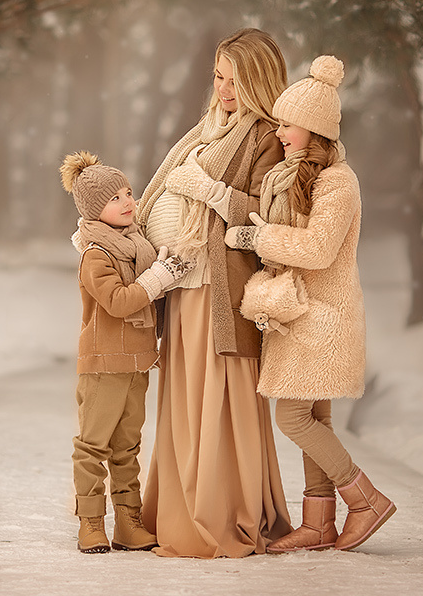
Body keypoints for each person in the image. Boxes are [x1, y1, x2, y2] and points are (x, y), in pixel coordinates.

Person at [224, 54, 396, 553]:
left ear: (314, 128)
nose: (279, 132)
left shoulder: (338, 181)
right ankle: (319, 523)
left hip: (323, 316)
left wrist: (258, 241)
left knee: (292, 418)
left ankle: (363, 498)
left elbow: (319, 250)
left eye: (288, 124)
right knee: (315, 419)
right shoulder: (294, 173)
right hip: (300, 314)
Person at [135, 27, 293, 558]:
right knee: (183, 399)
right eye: (218, 77)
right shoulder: (206, 129)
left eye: (234, 81)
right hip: (182, 281)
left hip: (223, 288)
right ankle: (177, 508)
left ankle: (226, 511)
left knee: (222, 398)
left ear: (257, 82)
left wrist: (211, 191)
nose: (223, 90)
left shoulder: (269, 135)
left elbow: (270, 213)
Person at [60, 150, 195, 554]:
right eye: (114, 198)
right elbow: (119, 301)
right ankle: (90, 523)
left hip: (137, 361)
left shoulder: (137, 246)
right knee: (93, 446)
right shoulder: (95, 255)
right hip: (104, 364)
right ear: (94, 209)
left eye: (128, 192)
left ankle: (128, 522)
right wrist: (159, 278)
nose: (128, 202)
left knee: (127, 446)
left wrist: (165, 274)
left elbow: (149, 292)